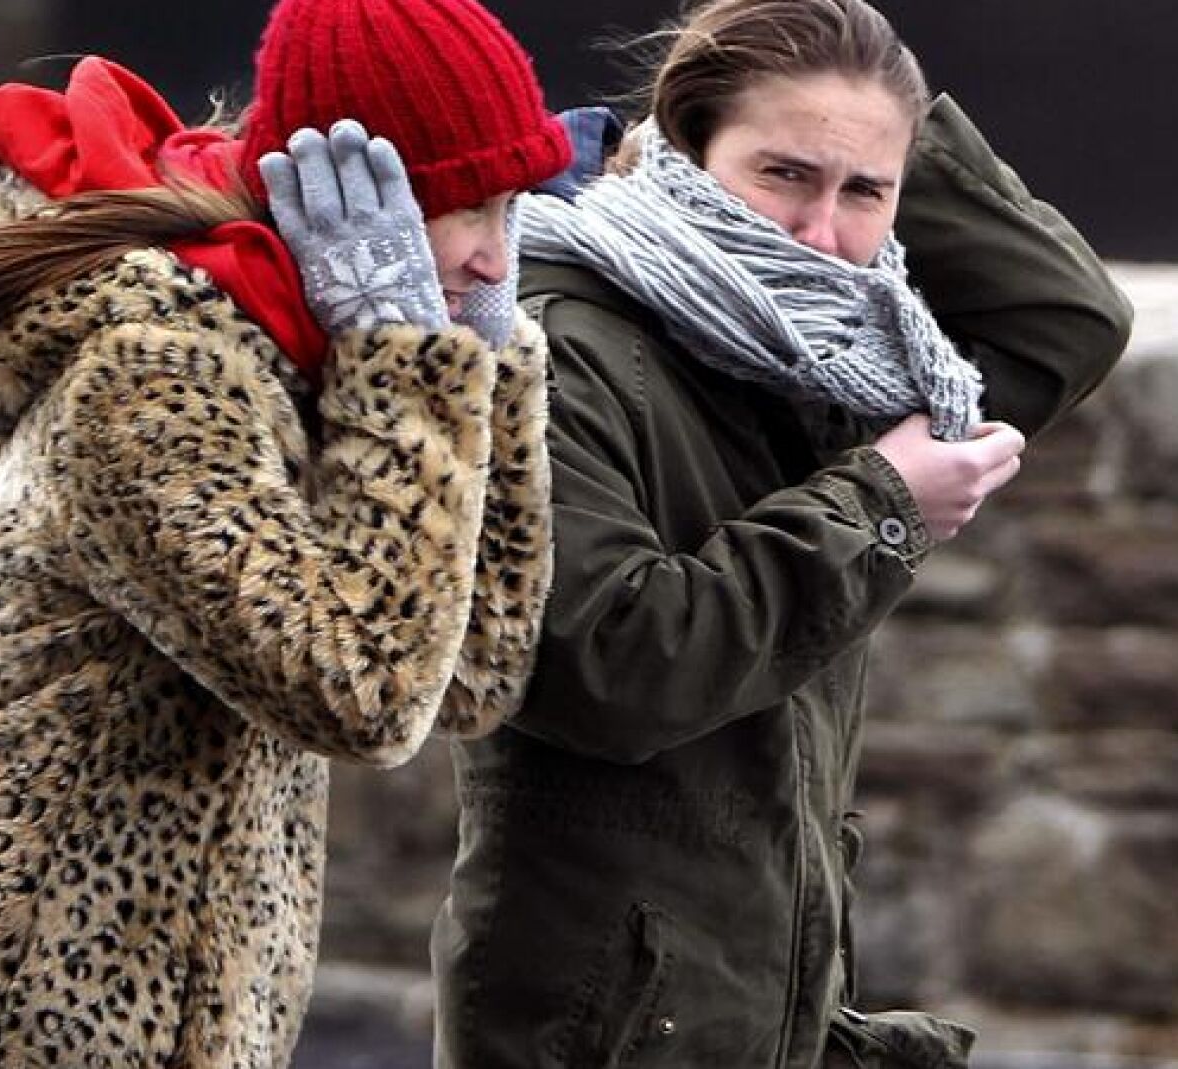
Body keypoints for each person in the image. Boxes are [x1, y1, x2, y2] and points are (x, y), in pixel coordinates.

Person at [0, 0, 570, 1065]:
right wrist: (407, 368)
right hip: (10, 975)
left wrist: (489, 367)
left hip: (172, 985)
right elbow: (366, 695)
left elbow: (469, 676)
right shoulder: (155, 370)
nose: (491, 255)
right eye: (460, 209)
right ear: (342, 203)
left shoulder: (310, 351)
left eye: (509, 208)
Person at [430, 1, 1134, 1066]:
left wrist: (875, 130)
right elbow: (610, 664)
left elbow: (1065, 319)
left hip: (768, 992)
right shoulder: (556, 338)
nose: (819, 234)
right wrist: (883, 503)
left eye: (866, 194)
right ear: (679, 149)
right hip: (603, 1022)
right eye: (782, 174)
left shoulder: (819, 351)